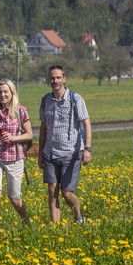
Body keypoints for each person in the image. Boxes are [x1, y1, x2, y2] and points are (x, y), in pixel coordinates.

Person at [38, 65, 92, 224]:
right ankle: (55, 228)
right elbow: (43, 128)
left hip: (71, 152)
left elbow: (86, 124)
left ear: (64, 79)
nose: (55, 81)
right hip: (50, 152)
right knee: (52, 190)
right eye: (52, 78)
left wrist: (87, 149)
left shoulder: (76, 99)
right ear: (49, 80)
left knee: (67, 193)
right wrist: (41, 153)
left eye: (58, 77)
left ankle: (78, 216)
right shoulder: (45, 101)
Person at [0, 79, 32, 231]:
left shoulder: (20, 111)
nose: (2, 95)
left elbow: (29, 134)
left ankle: (25, 219)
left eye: (5, 92)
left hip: (14, 158)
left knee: (14, 198)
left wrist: (13, 138)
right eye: (0, 92)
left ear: (11, 93)